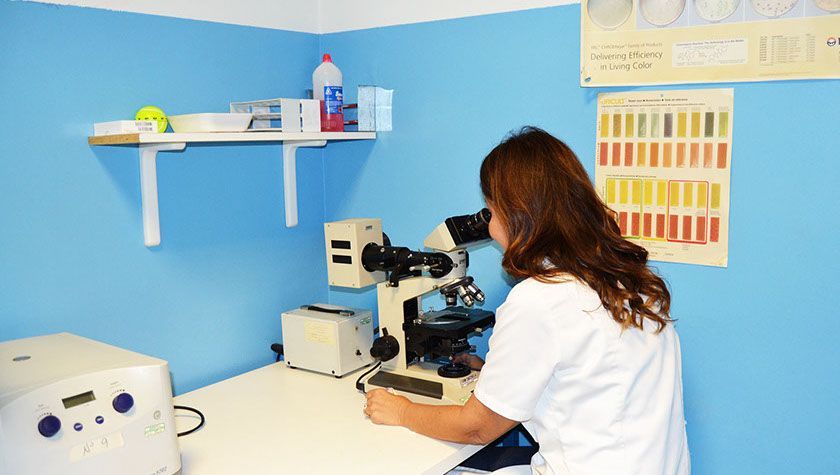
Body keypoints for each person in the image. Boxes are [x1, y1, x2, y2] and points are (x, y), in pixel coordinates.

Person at [364, 127, 690, 475]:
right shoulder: (627, 276)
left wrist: (401, 411)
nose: (489, 228)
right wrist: (499, 373)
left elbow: (476, 427)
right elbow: (593, 378)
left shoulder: (540, 300)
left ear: (515, 215)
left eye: (491, 212)